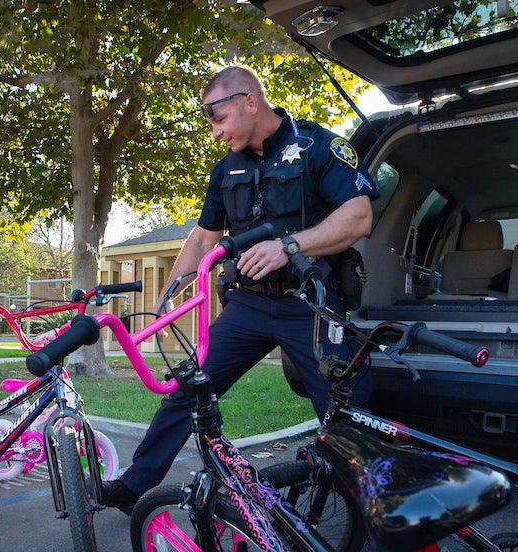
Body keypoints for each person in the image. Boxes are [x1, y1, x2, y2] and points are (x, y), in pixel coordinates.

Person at [102, 64, 379, 514]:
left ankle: (375, 514)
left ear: (250, 102)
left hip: (309, 305)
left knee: (346, 413)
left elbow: (358, 217)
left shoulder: (320, 147)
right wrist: (169, 294)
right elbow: (202, 238)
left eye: (218, 118)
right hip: (248, 305)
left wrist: (288, 246)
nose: (215, 132)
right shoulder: (225, 168)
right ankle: (134, 487)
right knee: (189, 388)